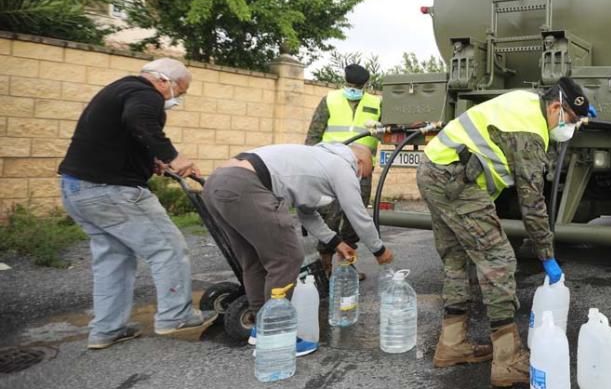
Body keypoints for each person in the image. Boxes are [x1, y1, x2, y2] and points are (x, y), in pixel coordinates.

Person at [416, 76, 591, 388]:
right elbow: (533, 203)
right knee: (499, 261)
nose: (571, 128)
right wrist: (546, 256)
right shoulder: (531, 132)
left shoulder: (524, 101)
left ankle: (452, 344)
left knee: (457, 260)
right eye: (571, 120)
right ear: (555, 107)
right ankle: (507, 360)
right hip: (455, 180)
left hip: (434, 170)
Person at [58, 57, 218, 349]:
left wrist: (150, 161)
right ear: (163, 81)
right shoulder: (145, 94)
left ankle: (106, 329)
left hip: (76, 189)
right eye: (178, 92)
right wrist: (173, 156)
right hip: (112, 191)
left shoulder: (119, 90)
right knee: (168, 247)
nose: (176, 99)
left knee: (113, 259)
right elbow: (139, 121)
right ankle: (176, 316)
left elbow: (124, 136)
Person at [201, 142, 396, 352]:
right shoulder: (342, 165)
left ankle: (262, 327)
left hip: (217, 183)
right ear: (360, 161)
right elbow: (357, 214)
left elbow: (307, 214)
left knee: (254, 259)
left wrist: (336, 242)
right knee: (287, 258)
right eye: (369, 170)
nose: (366, 176)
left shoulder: (316, 161)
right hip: (247, 185)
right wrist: (379, 250)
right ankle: (277, 335)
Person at [306, 63, 383, 274]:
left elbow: (388, 131)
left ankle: (346, 270)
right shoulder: (330, 100)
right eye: (351, 84)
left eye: (358, 85)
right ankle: (326, 268)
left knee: (354, 220)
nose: (354, 88)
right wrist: (311, 163)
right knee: (328, 216)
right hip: (328, 167)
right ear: (345, 82)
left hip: (361, 170)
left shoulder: (376, 103)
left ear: (365, 85)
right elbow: (314, 134)